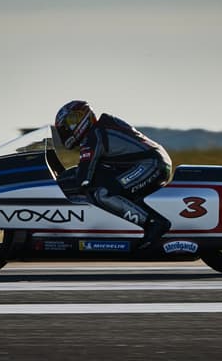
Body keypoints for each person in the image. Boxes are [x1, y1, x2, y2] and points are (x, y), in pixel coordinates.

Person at [55, 100, 172, 249]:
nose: (69, 127)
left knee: (104, 193)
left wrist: (57, 187)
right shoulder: (101, 129)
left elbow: (83, 177)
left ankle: (154, 224)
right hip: (150, 162)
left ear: (84, 117)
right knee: (106, 185)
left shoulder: (94, 135)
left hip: (151, 165)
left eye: (72, 120)